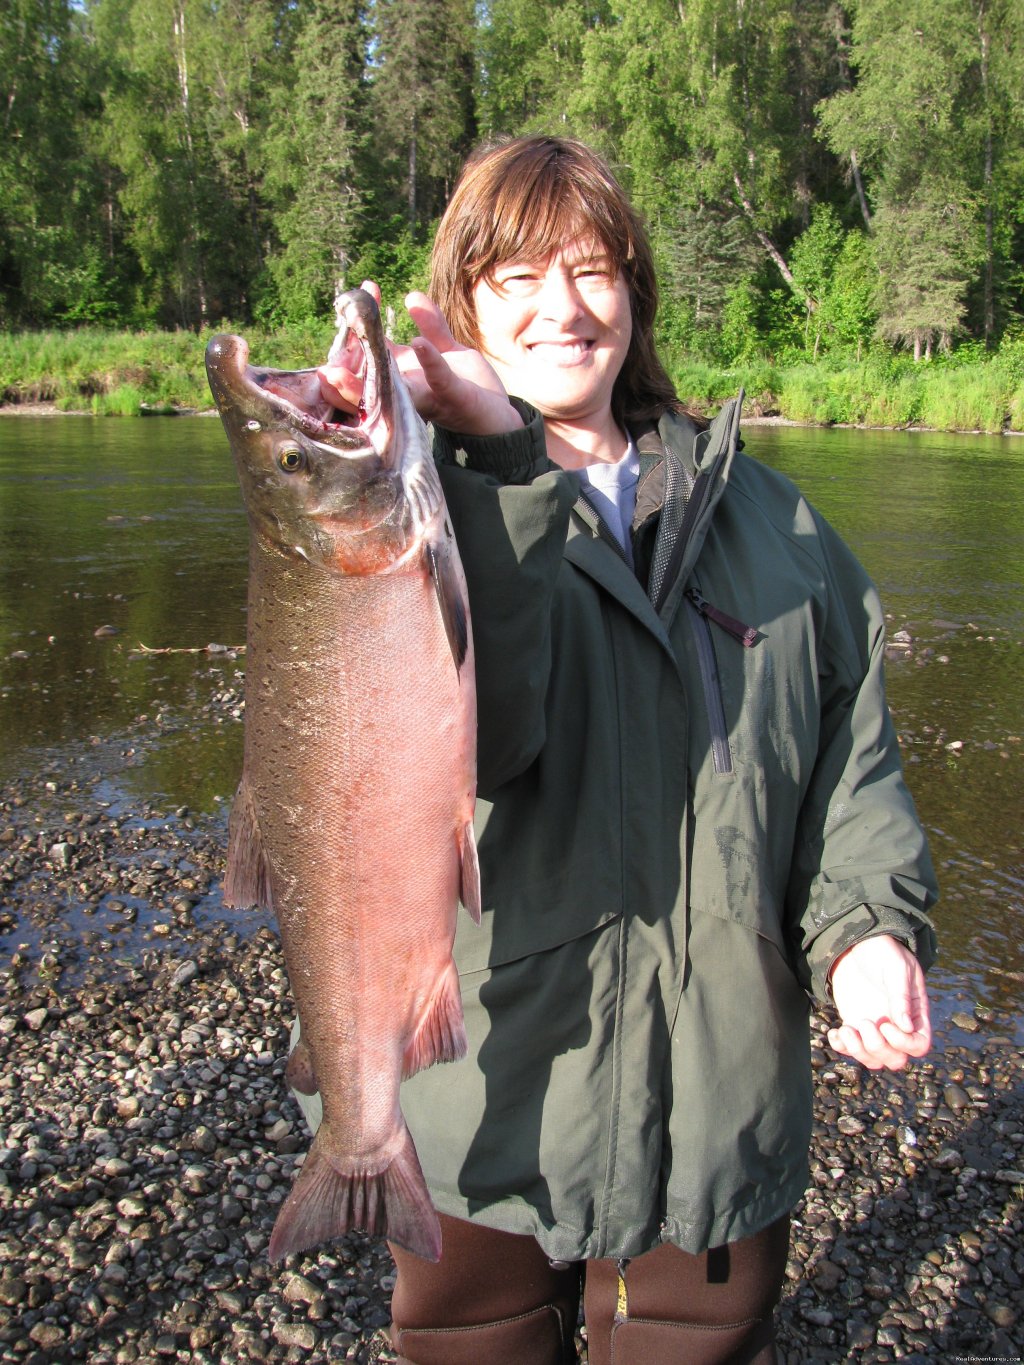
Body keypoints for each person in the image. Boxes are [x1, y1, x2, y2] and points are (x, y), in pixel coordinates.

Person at [315, 135, 938, 1365]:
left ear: (636, 291)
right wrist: (493, 461)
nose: (562, 309)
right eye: (517, 280)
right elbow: (478, 740)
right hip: (489, 1091)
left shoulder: (777, 524)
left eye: (592, 269)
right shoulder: (401, 527)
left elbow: (846, 761)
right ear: (463, 306)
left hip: (721, 1094)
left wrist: (866, 927)